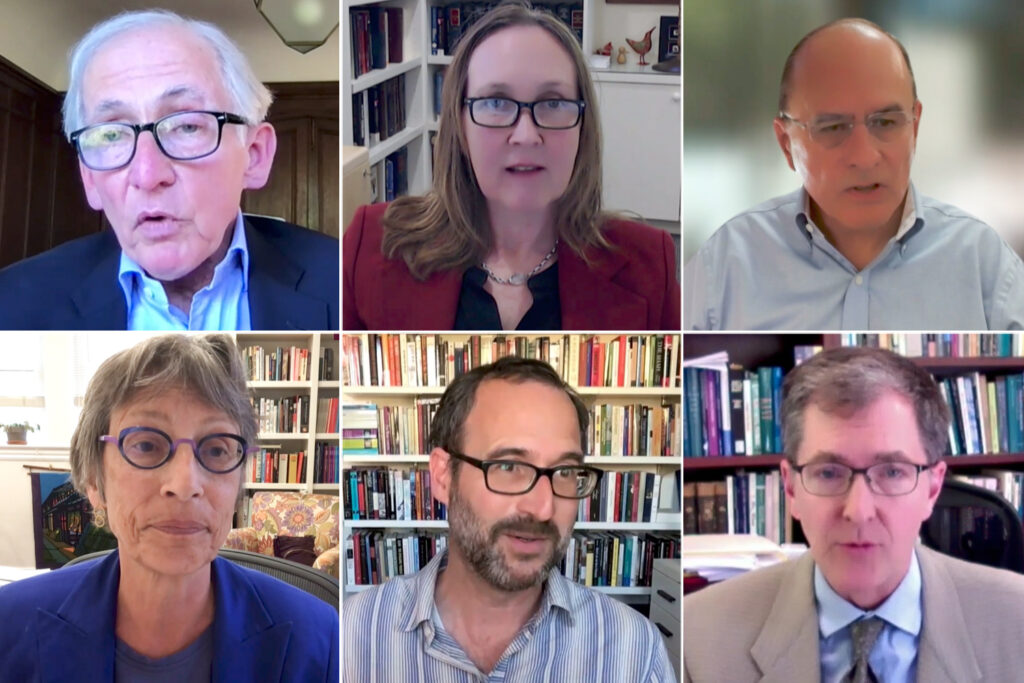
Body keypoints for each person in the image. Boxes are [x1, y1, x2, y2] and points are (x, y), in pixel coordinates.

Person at [0, 335, 338, 680]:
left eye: (217, 450)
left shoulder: (321, 641)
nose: (185, 485)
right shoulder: (7, 626)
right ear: (93, 480)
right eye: (146, 444)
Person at [683, 346, 1024, 682]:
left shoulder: (1016, 623)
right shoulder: (696, 639)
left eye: (892, 472)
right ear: (790, 489)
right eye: (829, 473)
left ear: (932, 489)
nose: (859, 512)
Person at [343, 2, 680, 331]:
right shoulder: (369, 244)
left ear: (583, 126)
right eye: (496, 103)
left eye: (553, 102)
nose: (526, 135)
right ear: (460, 125)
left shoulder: (650, 263)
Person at [0, 10, 339, 331]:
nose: (147, 175)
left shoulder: (343, 281)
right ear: (89, 176)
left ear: (254, 154)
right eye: (112, 134)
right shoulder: (14, 303)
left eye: (187, 127)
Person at [343, 356, 676, 680]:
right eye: (508, 466)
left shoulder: (635, 653)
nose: (543, 508)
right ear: (443, 476)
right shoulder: (355, 634)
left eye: (565, 471)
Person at [684, 18, 1024, 330]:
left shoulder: (985, 266)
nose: (864, 156)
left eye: (886, 123)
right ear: (786, 143)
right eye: (832, 127)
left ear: (915, 127)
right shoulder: (725, 265)